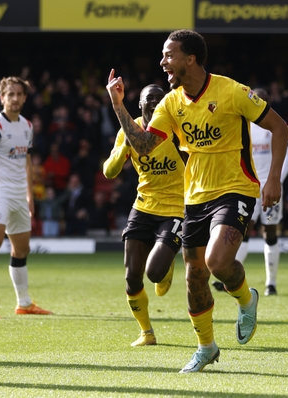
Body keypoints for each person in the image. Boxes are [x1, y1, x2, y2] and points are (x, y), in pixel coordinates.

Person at [106, 30, 288, 373]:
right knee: (194, 277)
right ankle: (206, 347)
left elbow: (280, 128)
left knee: (218, 262)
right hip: (194, 197)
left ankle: (247, 300)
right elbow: (144, 145)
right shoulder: (171, 103)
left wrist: (274, 177)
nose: (163, 62)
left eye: (169, 55)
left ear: (190, 59)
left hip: (236, 188)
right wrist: (118, 105)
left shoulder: (231, 91)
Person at [102, 84, 185, 346]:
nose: (155, 102)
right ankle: (146, 332)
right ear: (139, 104)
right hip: (144, 206)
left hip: (176, 207)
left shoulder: (174, 127)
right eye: (150, 99)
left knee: (154, 273)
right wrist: (124, 145)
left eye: (160, 99)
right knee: (131, 276)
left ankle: (168, 260)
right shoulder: (129, 128)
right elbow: (109, 172)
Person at [0, 76, 52, 319]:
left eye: (19, 94)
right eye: (11, 94)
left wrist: (30, 196)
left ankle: (24, 303)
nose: (15, 98)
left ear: (25, 98)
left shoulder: (27, 126)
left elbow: (27, 162)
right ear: (2, 97)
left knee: (22, 249)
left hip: (18, 195)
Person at [214, 88, 288, 296]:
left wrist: (275, 182)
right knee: (242, 231)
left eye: (264, 101)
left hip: (270, 186)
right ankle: (231, 278)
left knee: (270, 231)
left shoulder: (276, 125)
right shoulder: (242, 125)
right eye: (257, 100)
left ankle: (271, 283)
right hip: (247, 187)